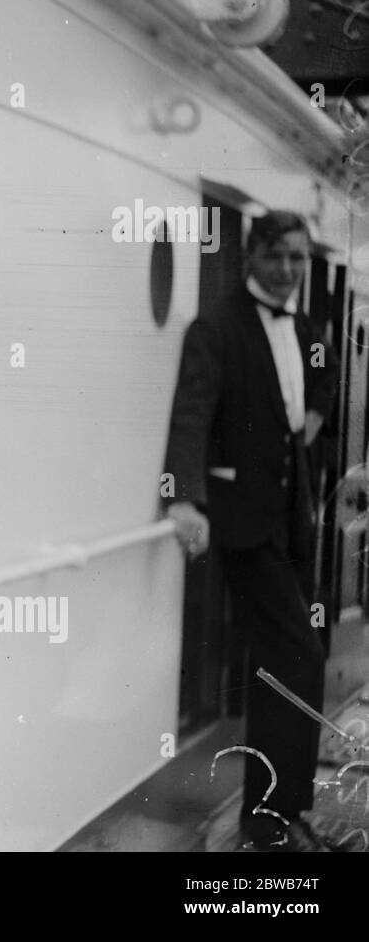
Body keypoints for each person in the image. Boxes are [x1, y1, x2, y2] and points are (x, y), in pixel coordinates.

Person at [161, 210, 337, 852]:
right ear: (251, 257)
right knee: (300, 654)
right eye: (277, 257)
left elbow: (324, 371)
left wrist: (315, 416)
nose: (289, 270)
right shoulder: (216, 329)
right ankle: (267, 819)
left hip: (293, 520)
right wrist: (184, 498)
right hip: (243, 524)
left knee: (284, 659)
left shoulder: (309, 328)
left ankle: (283, 812)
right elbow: (191, 414)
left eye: (298, 258)